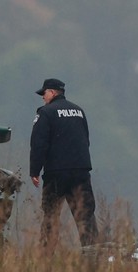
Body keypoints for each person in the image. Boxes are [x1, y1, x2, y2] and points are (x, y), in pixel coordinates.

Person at [30, 78, 99, 252]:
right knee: (85, 215)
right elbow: (86, 140)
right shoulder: (79, 111)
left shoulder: (45, 112)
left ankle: (46, 254)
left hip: (57, 173)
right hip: (81, 171)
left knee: (51, 214)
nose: (43, 98)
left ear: (52, 92)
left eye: (44, 93)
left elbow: (39, 144)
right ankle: (94, 256)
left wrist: (34, 171)